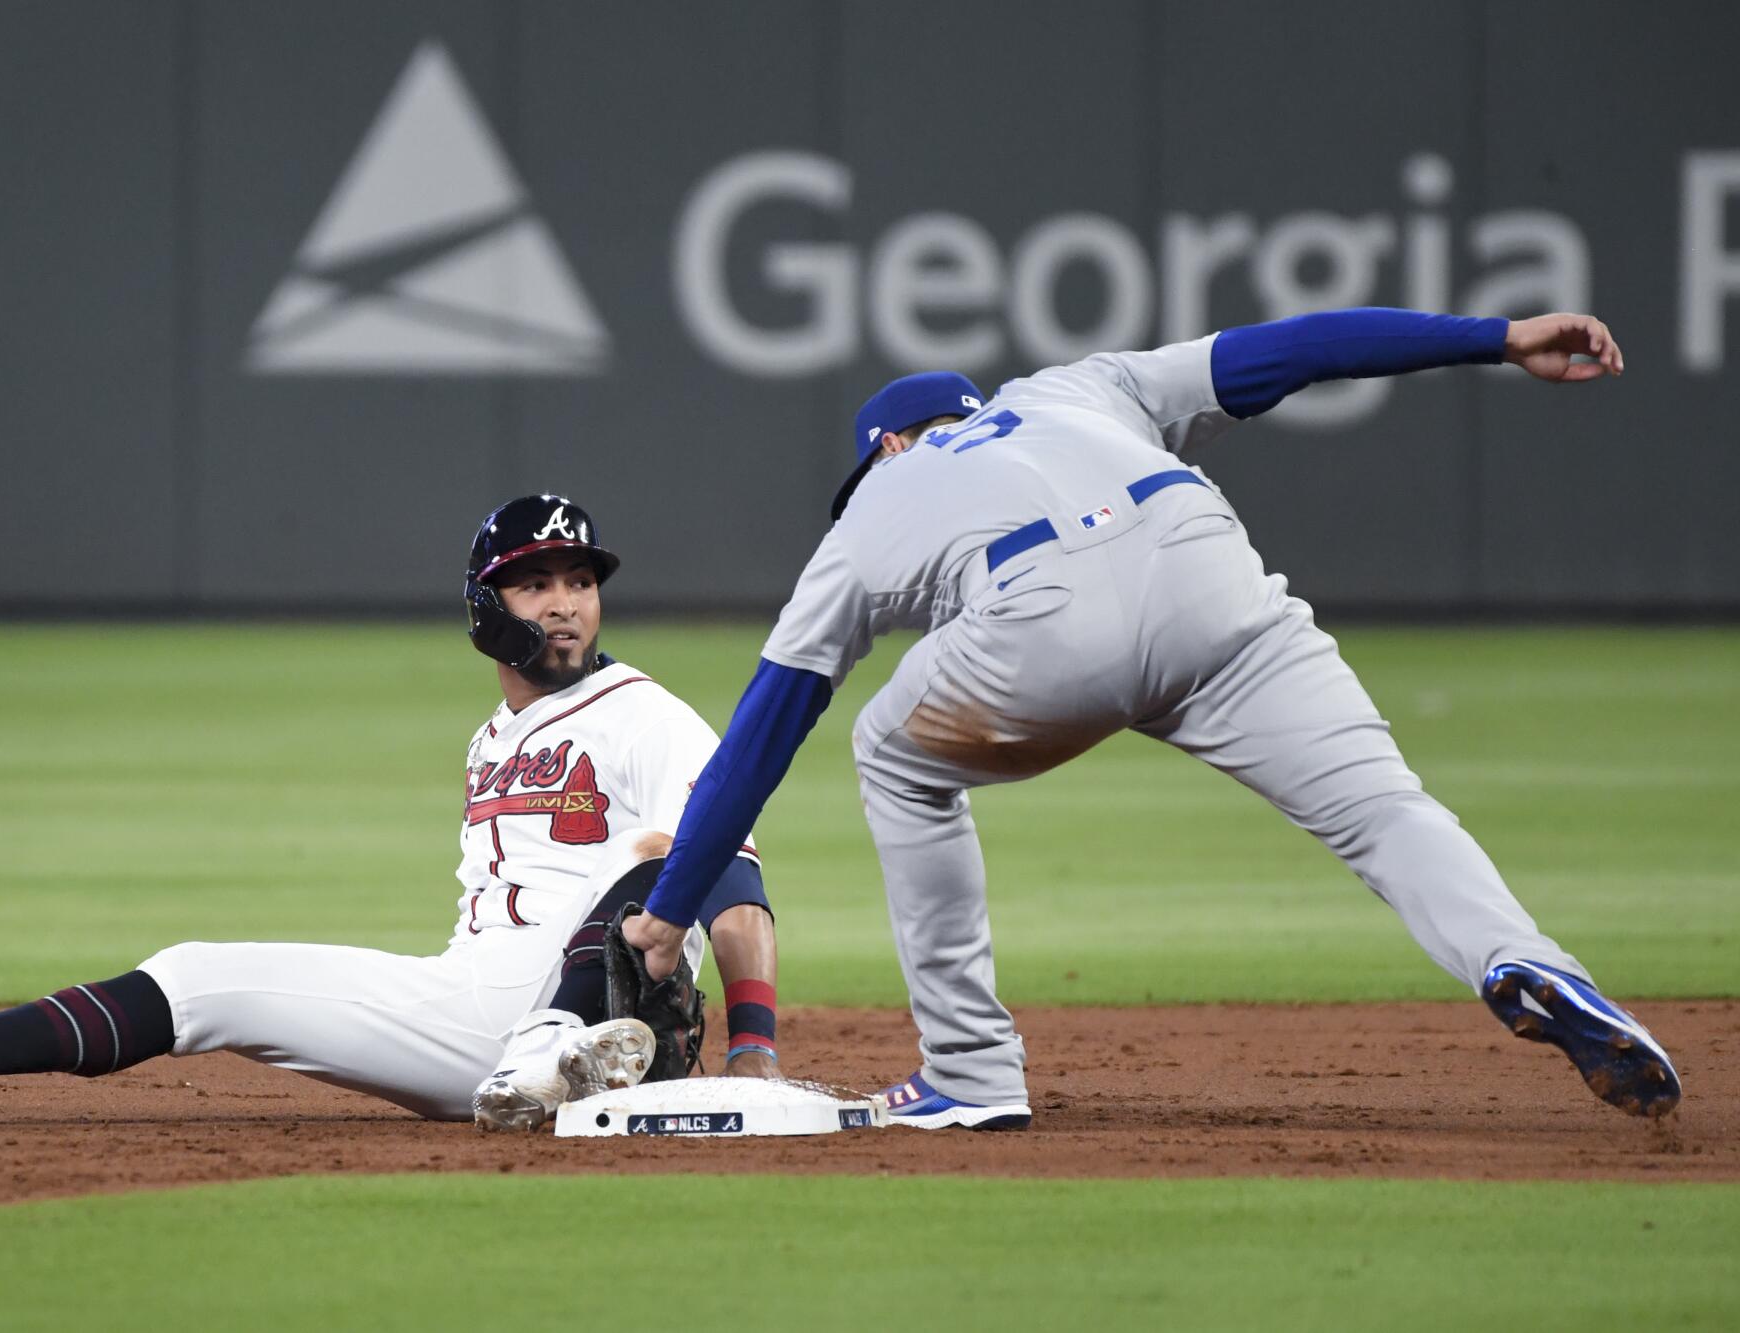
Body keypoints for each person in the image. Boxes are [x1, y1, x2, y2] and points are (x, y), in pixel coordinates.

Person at [620, 307, 1681, 1128]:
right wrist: (1493, 339)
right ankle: (1530, 964)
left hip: (1036, 621)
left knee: (891, 757)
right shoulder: (1078, 387)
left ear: (889, 447)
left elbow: (763, 730)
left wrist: (668, 914)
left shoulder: (872, 511)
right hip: (1203, 570)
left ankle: (970, 1072)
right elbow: (1296, 346)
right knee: (1383, 811)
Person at [0, 495, 780, 1132]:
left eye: (578, 582)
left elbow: (730, 868)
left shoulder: (645, 713)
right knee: (202, 973)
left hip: (592, 1017)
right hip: (470, 1017)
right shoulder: (490, 740)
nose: (563, 603)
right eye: (533, 584)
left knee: (660, 852)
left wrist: (752, 1049)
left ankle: (558, 1048)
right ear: (482, 607)